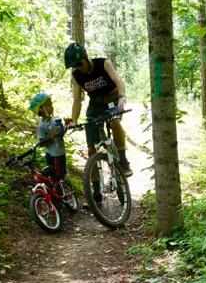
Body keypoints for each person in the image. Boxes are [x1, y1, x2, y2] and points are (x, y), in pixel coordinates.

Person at [63, 42, 132, 177]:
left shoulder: (103, 63)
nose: (79, 68)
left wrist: (122, 96)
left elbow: (118, 80)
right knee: (91, 149)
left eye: (80, 64)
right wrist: (75, 120)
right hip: (95, 105)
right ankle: (95, 190)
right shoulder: (76, 76)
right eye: (75, 66)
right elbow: (77, 100)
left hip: (112, 99)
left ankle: (123, 160)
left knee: (114, 122)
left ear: (86, 56)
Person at [30, 91, 68, 181]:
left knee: (62, 175)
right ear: (41, 110)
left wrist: (66, 125)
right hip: (53, 155)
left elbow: (60, 135)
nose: (52, 107)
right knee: (56, 177)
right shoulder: (41, 126)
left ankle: (63, 192)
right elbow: (41, 143)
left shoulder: (53, 120)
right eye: (49, 105)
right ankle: (57, 193)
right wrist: (52, 136)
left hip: (61, 153)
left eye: (51, 104)